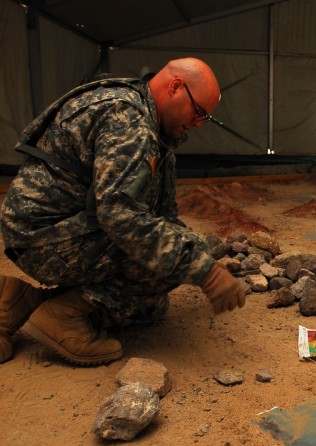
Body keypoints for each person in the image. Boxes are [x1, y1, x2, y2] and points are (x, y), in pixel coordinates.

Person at [0, 57, 245, 365]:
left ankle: (24, 302)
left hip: (56, 230)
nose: (198, 124)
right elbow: (120, 216)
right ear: (175, 87)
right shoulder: (130, 122)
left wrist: (193, 251)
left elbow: (164, 217)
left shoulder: (153, 126)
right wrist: (204, 271)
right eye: (199, 113)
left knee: (152, 305)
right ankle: (62, 316)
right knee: (164, 263)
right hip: (42, 239)